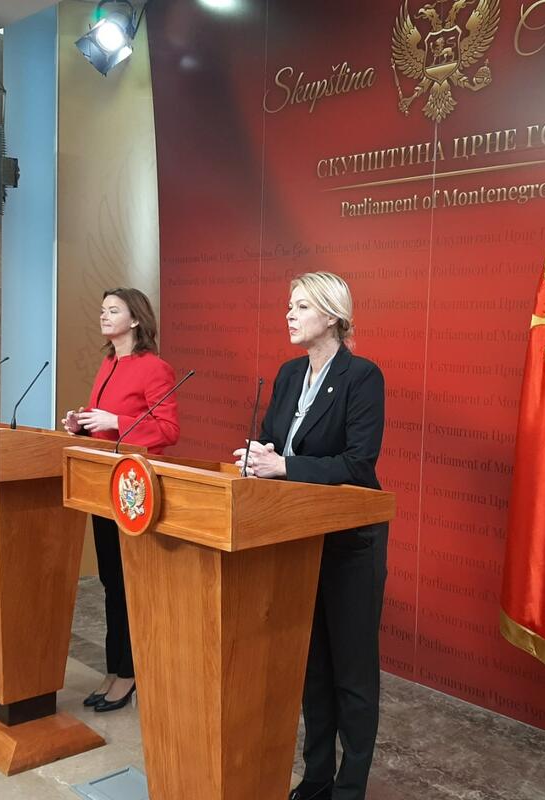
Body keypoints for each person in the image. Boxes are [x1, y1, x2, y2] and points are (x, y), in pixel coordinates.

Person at [233, 272, 387, 800]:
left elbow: (358, 463)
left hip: (349, 543)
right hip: (298, 537)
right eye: (289, 305)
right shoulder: (287, 374)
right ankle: (317, 776)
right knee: (312, 666)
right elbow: (275, 442)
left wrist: (284, 466)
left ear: (332, 316)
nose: (289, 315)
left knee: (352, 672)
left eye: (301, 306)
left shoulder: (362, 376)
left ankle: (350, 787)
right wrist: (259, 455)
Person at [62, 287, 180, 712]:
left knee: (129, 584)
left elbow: (167, 431)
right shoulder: (108, 363)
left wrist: (115, 419)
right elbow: (107, 429)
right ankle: (114, 668)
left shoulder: (155, 368)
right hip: (104, 483)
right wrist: (81, 425)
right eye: (102, 309)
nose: (104, 315)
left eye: (113, 310)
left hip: (134, 490)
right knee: (111, 582)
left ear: (135, 320)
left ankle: (130, 673)